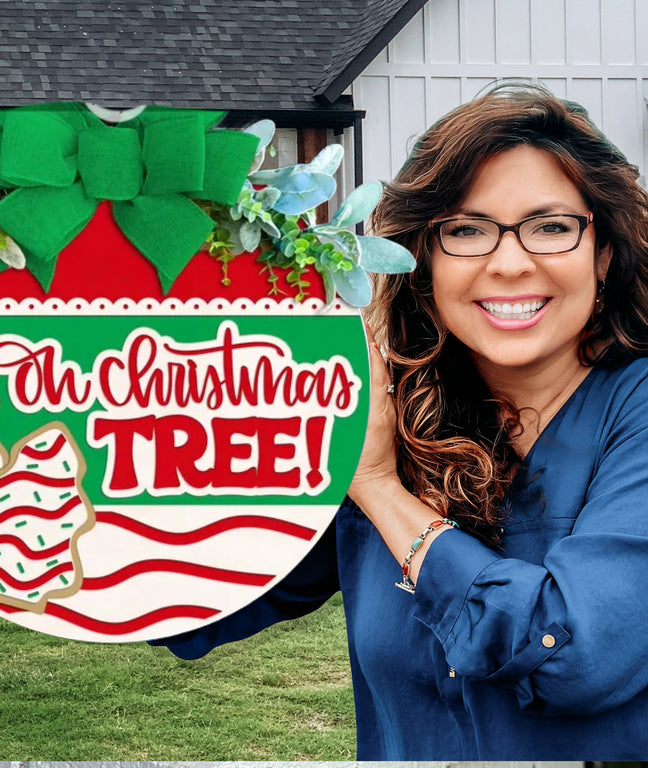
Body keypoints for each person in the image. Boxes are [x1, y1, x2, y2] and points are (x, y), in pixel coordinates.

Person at [150, 83, 648, 759]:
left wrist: (382, 490)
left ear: (605, 252)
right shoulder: (393, 415)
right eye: (466, 230)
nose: (508, 262)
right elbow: (196, 599)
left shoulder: (633, 413)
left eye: (551, 227)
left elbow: (576, 656)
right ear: (424, 263)